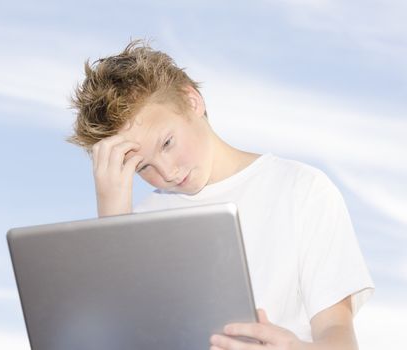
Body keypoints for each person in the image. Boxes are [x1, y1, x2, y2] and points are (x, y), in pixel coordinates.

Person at [67, 39, 374, 350]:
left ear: (191, 101)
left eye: (167, 144)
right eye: (143, 166)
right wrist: (110, 221)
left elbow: (339, 337)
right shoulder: (140, 222)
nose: (168, 172)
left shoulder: (301, 188)